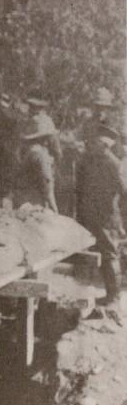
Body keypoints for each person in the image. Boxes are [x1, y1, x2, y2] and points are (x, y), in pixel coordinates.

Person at [76, 125, 127, 311]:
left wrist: (121, 217)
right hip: (89, 215)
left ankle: (114, 297)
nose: (92, 145)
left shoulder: (113, 164)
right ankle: (86, 294)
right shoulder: (89, 161)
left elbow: (124, 192)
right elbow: (80, 187)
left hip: (107, 217)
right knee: (90, 253)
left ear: (106, 145)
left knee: (109, 255)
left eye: (97, 143)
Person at [13, 112, 60, 212]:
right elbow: (47, 185)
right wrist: (54, 208)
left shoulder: (29, 151)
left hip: (21, 200)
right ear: (45, 138)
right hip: (33, 204)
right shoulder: (40, 155)